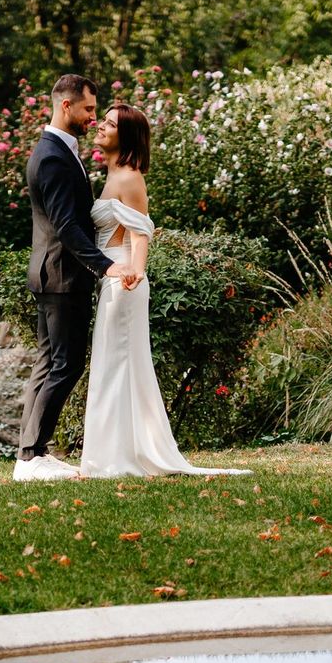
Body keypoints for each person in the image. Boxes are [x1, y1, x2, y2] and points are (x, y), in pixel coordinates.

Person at [81, 104, 253, 482]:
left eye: (109, 123)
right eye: (103, 120)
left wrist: (135, 274)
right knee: (112, 365)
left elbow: (141, 233)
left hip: (123, 281)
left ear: (125, 136)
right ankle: (108, 455)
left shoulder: (129, 178)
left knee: (118, 365)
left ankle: (116, 459)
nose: (101, 126)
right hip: (112, 277)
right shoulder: (111, 175)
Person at [15, 75, 140, 485]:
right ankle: (33, 454)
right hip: (62, 276)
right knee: (65, 366)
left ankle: (30, 453)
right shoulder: (52, 156)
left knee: (49, 362)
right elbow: (67, 226)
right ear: (66, 106)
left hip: (54, 274)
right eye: (88, 109)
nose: (92, 118)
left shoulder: (60, 150)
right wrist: (105, 266)